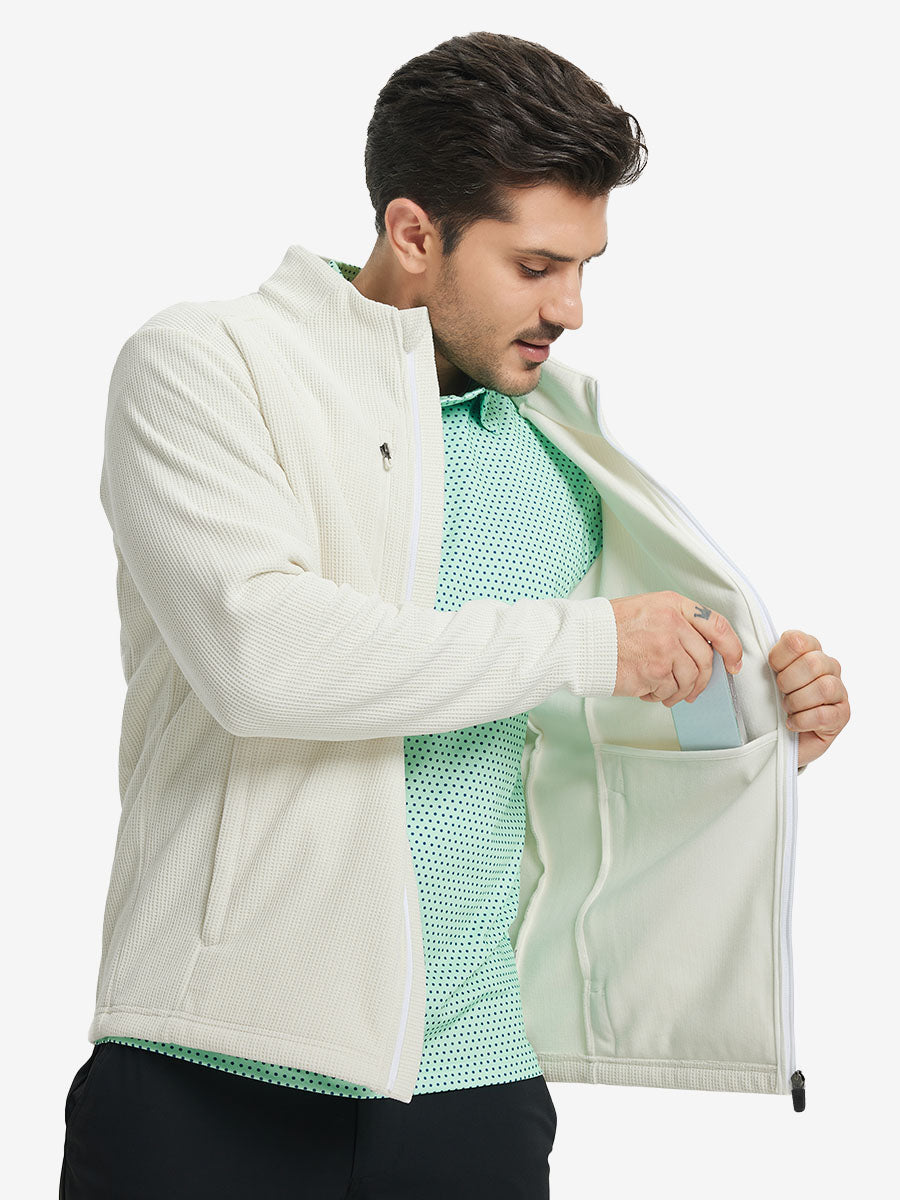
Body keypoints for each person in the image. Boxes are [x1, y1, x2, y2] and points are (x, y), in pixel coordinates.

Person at [59, 29, 850, 1200]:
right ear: (414, 234)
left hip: (476, 1084)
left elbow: (574, 739)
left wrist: (757, 726)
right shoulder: (209, 367)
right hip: (213, 1069)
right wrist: (596, 643)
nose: (571, 307)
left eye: (585, 266)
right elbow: (261, 656)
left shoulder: (562, 445)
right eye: (535, 266)